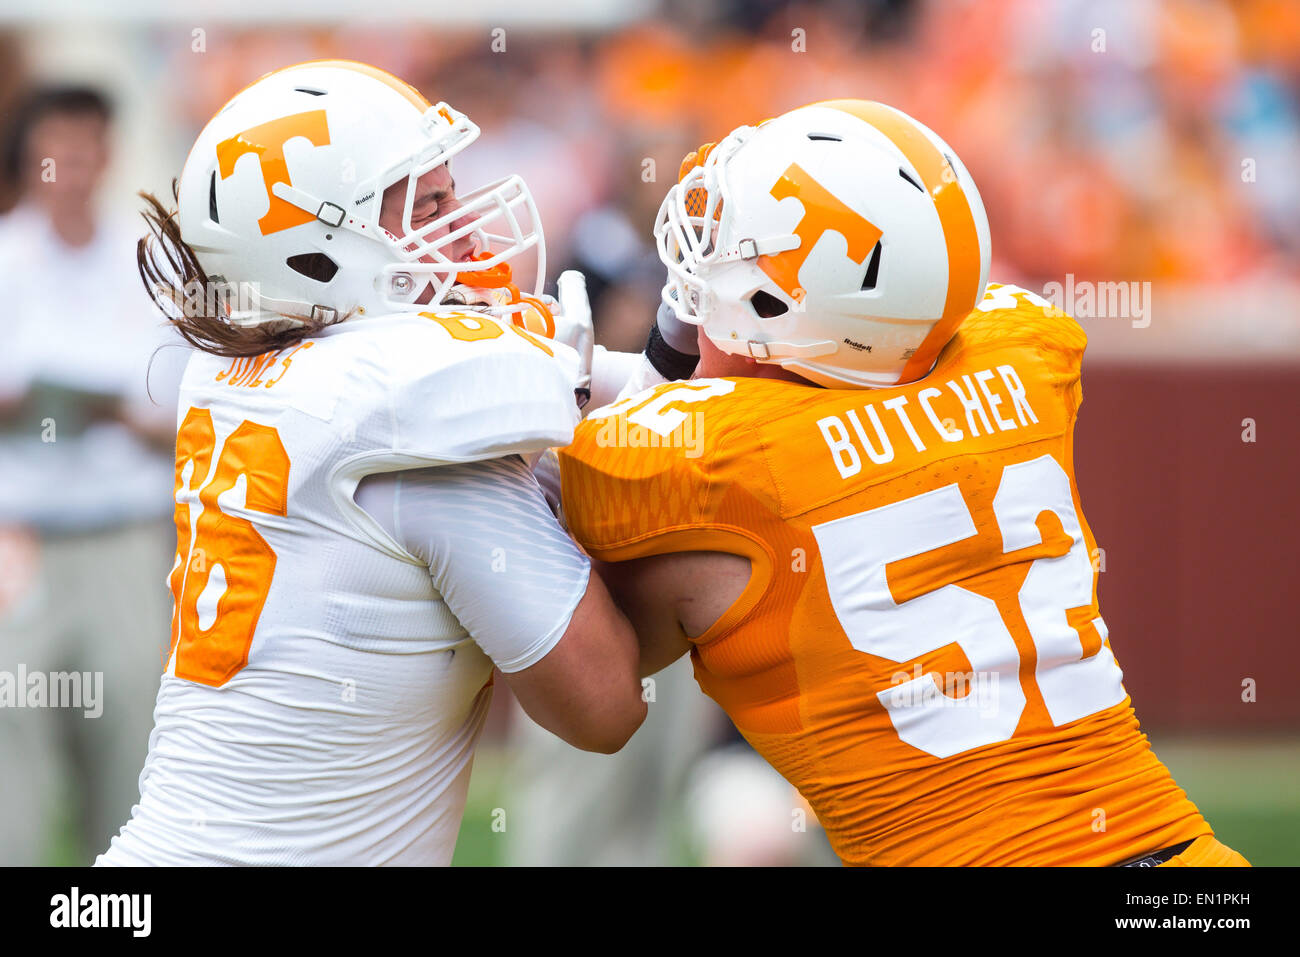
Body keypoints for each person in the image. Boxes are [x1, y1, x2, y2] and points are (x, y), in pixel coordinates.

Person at [557, 100, 1250, 866]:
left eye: (717, 262)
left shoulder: (707, 464)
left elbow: (592, 696)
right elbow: (857, 376)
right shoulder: (1023, 358)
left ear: (774, 310)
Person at [95, 59, 644, 866]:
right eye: (428, 207)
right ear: (317, 253)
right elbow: (604, 706)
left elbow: (617, 387)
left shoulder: (231, 366)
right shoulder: (408, 419)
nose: (465, 229)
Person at [0, 85, 183, 865]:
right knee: (13, 748)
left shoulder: (150, 265)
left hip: (121, 534)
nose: (71, 168)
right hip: (19, 537)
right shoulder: (6, 260)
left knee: (130, 743)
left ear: (108, 154)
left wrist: (111, 413)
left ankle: (119, 901)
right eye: (57, 151)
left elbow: (181, 412)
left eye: (85, 149)